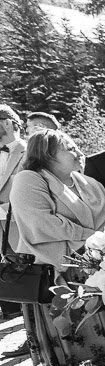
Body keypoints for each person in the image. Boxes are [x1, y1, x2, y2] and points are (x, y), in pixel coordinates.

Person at [8, 130, 105, 366]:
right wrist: (94, 236)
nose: (77, 151)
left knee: (96, 324)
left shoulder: (87, 182)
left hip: (92, 266)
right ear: (47, 155)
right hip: (57, 270)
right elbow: (42, 223)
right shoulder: (29, 180)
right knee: (61, 330)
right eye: (68, 148)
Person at [0, 105, 29, 325]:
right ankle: (13, 314)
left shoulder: (28, 151)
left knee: (26, 268)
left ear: (8, 122)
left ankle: (30, 325)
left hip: (18, 220)